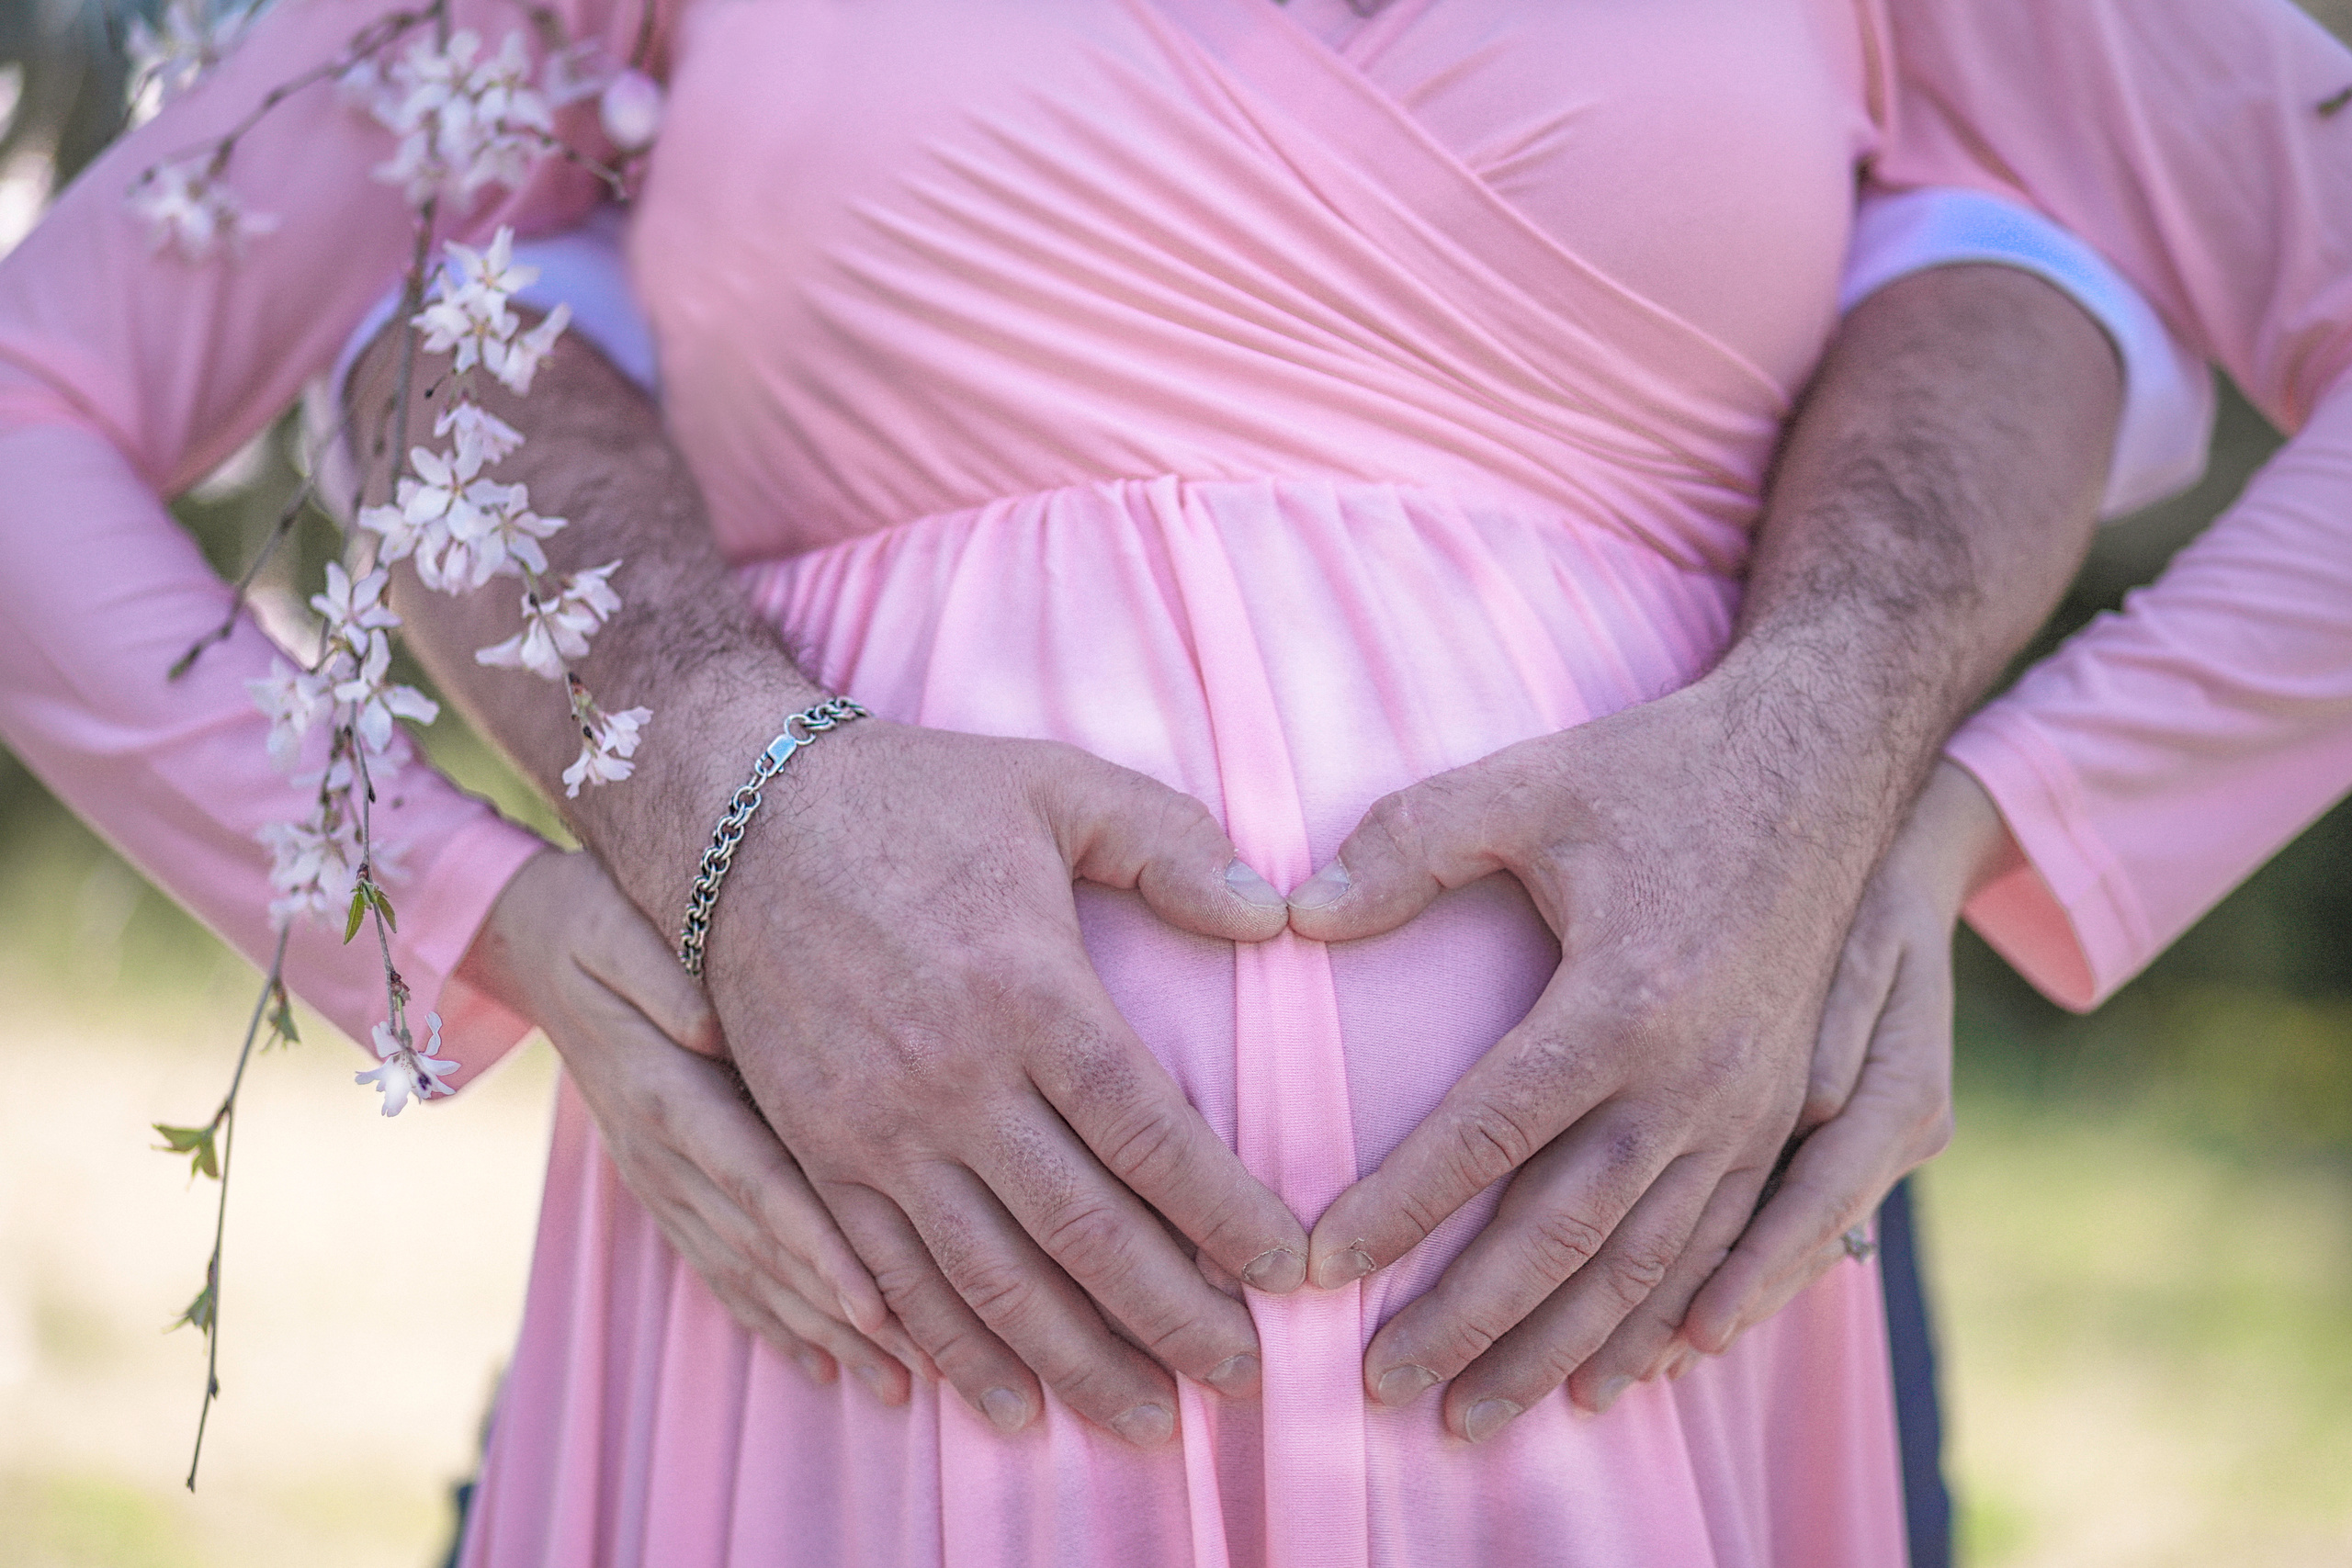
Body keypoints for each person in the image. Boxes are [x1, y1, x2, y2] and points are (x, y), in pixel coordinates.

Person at [1, 0, 2346, 1563]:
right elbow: (46, 408)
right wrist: (480, 913)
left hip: (1633, 1323)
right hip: (873, 1328)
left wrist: (1967, 821)